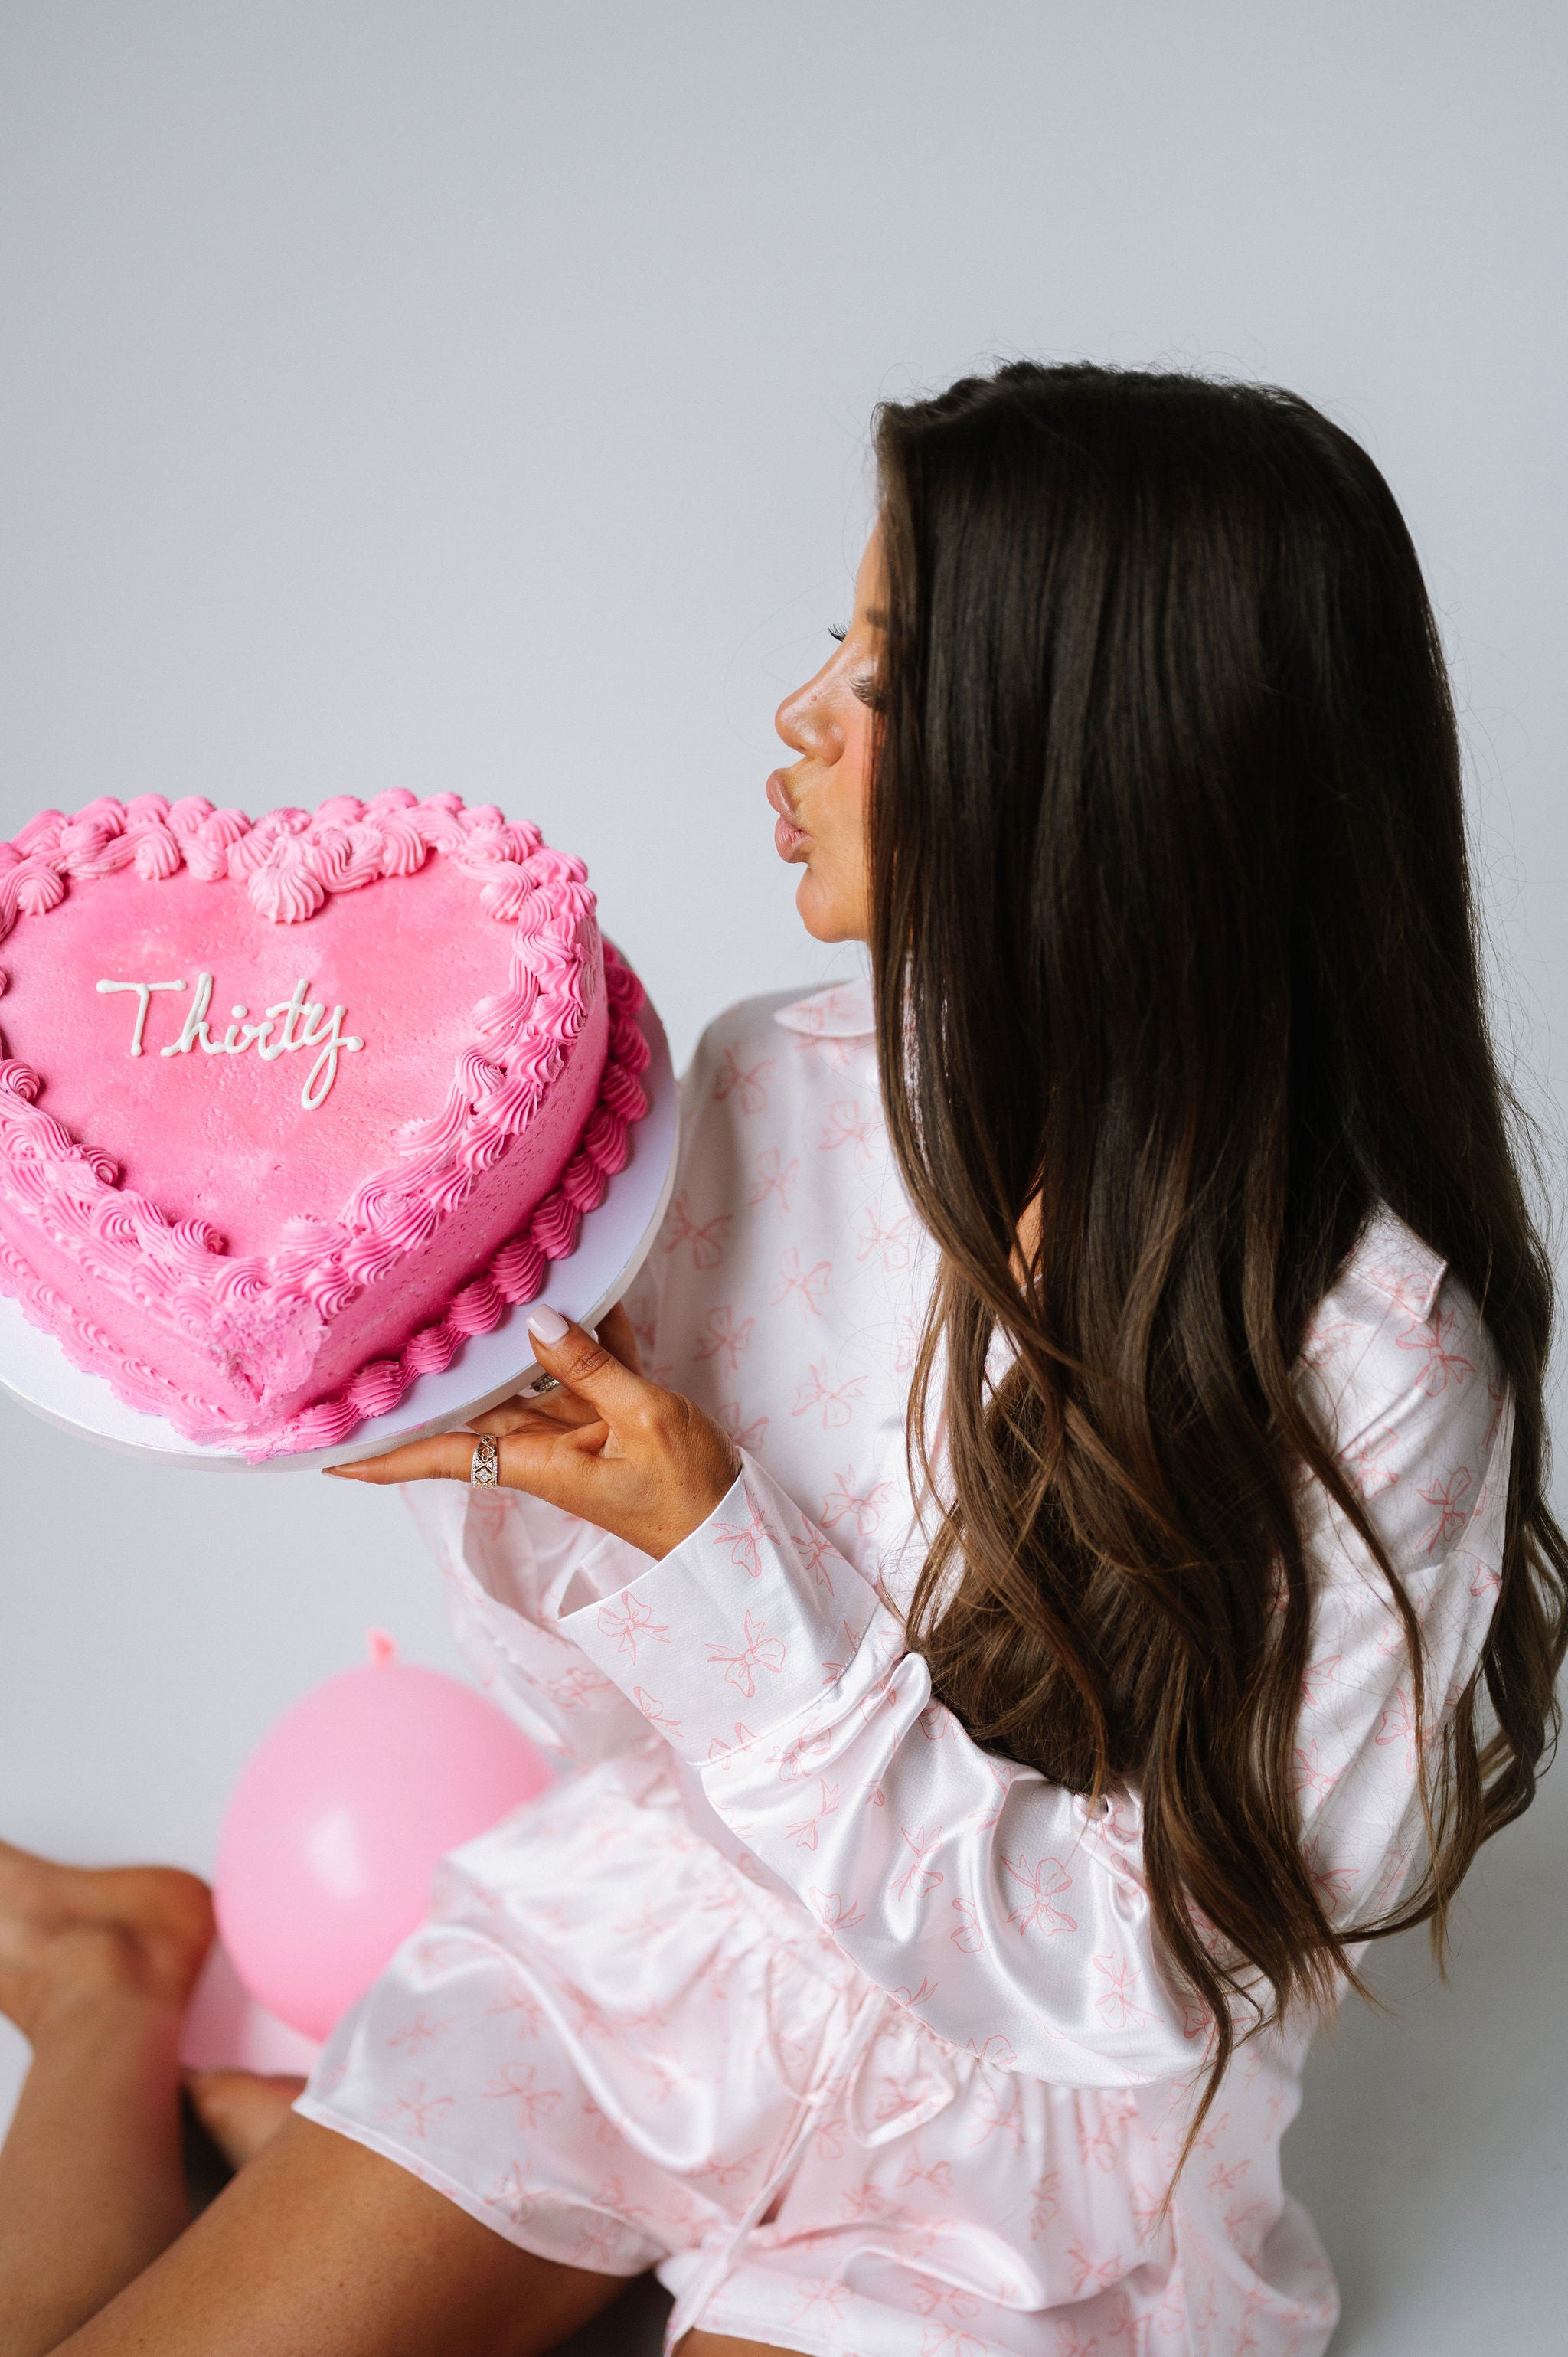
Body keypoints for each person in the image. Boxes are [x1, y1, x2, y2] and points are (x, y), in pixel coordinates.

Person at [0, 361, 1562, 2357]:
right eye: (833, 640)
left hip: (1024, 2172)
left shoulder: (1384, 1359)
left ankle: (269, 2119)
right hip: (649, 1972)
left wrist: (716, 1550)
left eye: (884, 676)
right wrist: (505, 1453)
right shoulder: (766, 1089)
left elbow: (1147, 1976)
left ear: (1107, 760)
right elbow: (610, 1721)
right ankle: (107, 1976)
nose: (798, 715)